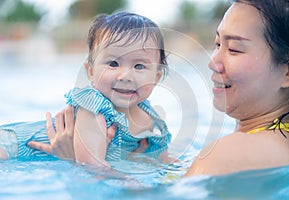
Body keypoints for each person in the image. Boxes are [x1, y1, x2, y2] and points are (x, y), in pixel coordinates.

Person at [26, 0, 289, 175]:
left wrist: (73, 163)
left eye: (235, 49)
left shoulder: (230, 154)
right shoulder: (283, 145)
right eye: (217, 45)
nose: (213, 61)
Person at [0, 12, 173, 166]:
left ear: (156, 77)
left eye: (139, 66)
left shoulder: (150, 116)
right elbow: (92, 167)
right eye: (113, 64)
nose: (125, 76)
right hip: (12, 146)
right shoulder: (93, 107)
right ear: (91, 71)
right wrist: (131, 183)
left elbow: (164, 158)